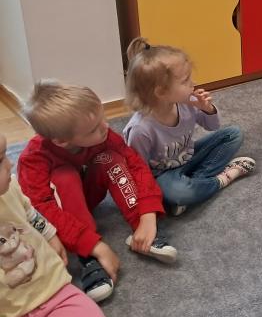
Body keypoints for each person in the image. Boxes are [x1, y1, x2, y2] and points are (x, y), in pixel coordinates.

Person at [17, 80, 174, 303]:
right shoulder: (33, 159)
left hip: (90, 193)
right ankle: (88, 259)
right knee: (64, 175)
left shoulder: (104, 135)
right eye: (94, 128)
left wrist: (147, 215)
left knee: (110, 157)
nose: (106, 127)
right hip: (61, 210)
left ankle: (142, 229)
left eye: (103, 118)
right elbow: (41, 210)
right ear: (61, 141)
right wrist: (92, 245)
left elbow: (136, 165)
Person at [123, 38, 255, 216]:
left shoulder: (187, 102)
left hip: (189, 157)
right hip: (163, 175)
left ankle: (195, 183)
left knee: (233, 135)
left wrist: (207, 109)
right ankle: (222, 179)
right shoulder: (140, 129)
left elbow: (213, 126)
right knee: (179, 192)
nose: (192, 83)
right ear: (161, 91)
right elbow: (139, 172)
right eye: (185, 81)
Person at [0, 133, 113, 317]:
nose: (10, 164)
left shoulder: (10, 188)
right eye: (0, 161)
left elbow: (30, 213)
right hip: (6, 316)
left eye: (5, 155)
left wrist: (50, 234)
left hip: (50, 287)